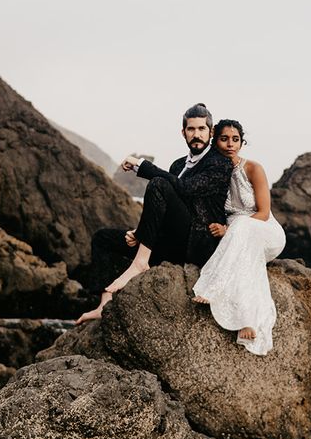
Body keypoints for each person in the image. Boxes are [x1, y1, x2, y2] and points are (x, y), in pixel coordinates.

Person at [75, 103, 233, 324]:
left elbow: (186, 189)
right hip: (169, 243)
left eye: (201, 129)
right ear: (183, 132)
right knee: (103, 238)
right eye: (191, 129)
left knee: (159, 183)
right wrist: (140, 233)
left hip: (197, 243)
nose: (196, 135)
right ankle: (103, 304)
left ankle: (141, 262)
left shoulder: (219, 163)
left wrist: (142, 166)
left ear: (211, 131)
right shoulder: (178, 165)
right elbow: (165, 208)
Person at [192, 119, 286, 355]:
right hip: (241, 236)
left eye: (236, 140)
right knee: (246, 259)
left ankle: (211, 286)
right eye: (224, 139)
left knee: (243, 226)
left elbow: (264, 213)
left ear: (242, 142)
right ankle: (247, 321)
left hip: (266, 232)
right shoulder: (214, 173)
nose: (230, 144)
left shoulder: (253, 168)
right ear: (216, 141)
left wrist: (229, 229)